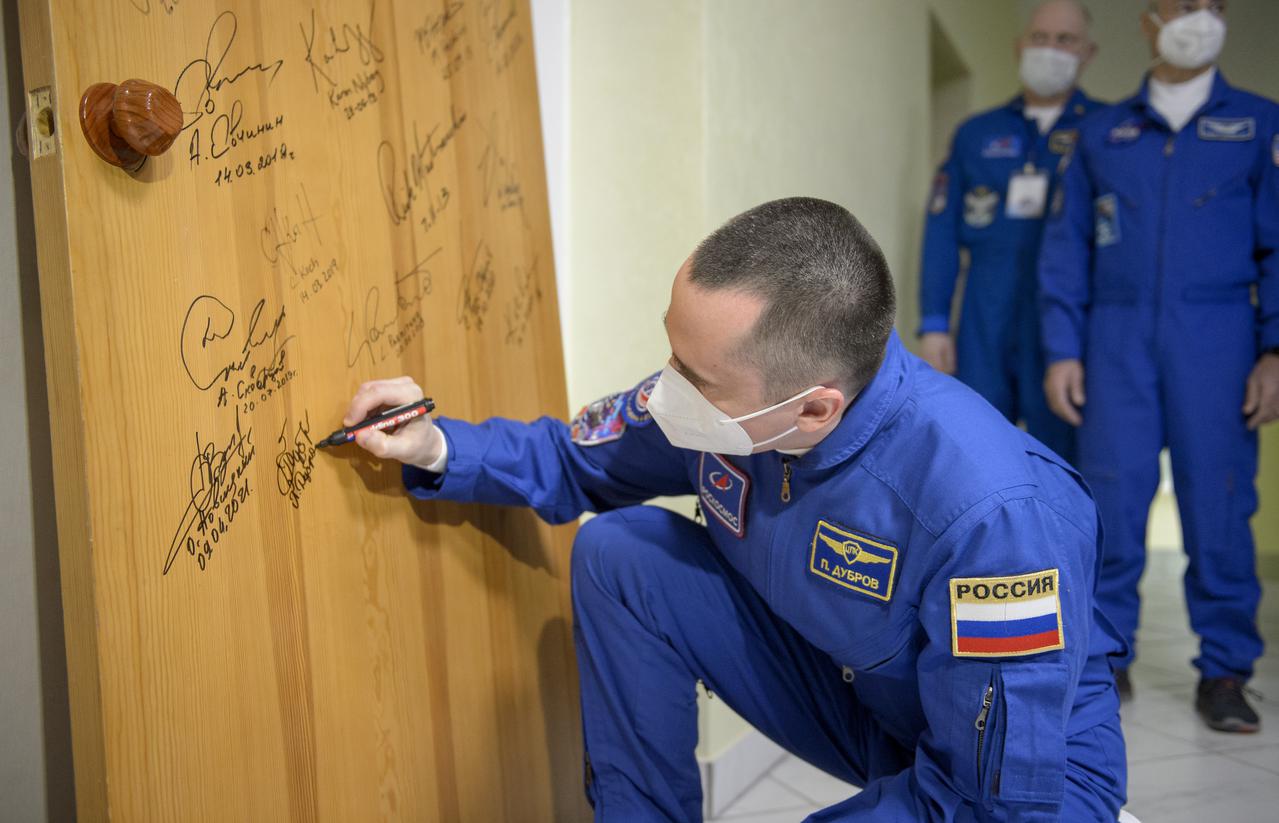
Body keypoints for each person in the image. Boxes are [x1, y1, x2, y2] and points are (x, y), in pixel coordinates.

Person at [347, 198, 1127, 820]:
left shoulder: (993, 514)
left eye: (697, 377)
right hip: (866, 698)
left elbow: (985, 793)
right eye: (671, 354)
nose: (663, 391)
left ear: (814, 409)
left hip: (1016, 782)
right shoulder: (740, 406)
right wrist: (430, 444)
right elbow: (573, 458)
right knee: (623, 553)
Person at [1038, 0, 1279, 732]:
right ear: (1148, 19)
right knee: (1109, 506)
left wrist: (1273, 350)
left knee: (1219, 504)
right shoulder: (1104, 133)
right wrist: (1061, 349)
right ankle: (1106, 660)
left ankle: (1226, 671)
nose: (1197, 16)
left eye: (1212, 4)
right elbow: (1064, 249)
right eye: (1181, 4)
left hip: (1219, 337)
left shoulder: (1259, 124)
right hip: (1115, 339)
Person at [919, 0, 1101, 464]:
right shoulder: (976, 134)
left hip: (1068, 319)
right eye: (1040, 38)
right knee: (977, 449)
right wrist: (935, 321)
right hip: (986, 311)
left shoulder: (1105, 132)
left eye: (1065, 40)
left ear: (1089, 52)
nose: (1050, 50)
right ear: (1020, 46)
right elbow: (940, 230)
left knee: (1064, 457)